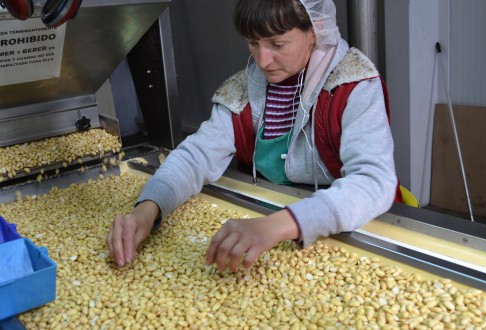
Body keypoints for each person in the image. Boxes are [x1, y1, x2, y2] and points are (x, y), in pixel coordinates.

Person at [107, 0, 400, 272]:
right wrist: (147, 210)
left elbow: (373, 182)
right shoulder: (242, 90)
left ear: (314, 31)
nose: (263, 60)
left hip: (352, 227)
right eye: (253, 43)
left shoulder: (353, 84)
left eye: (277, 44)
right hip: (277, 226)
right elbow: (195, 156)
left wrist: (278, 225)